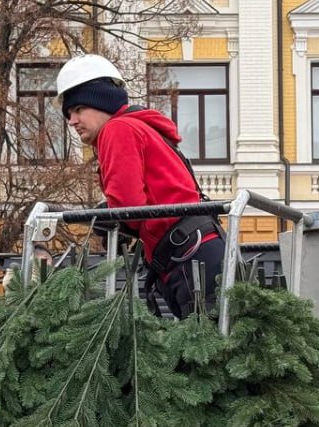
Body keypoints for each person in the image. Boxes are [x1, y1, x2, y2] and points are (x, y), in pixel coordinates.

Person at [57, 53, 224, 319]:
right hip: (196, 250)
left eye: (78, 109)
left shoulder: (117, 130)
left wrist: (108, 218)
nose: (71, 121)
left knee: (207, 351)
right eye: (68, 114)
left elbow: (128, 209)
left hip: (189, 257)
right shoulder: (140, 128)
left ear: (102, 103)